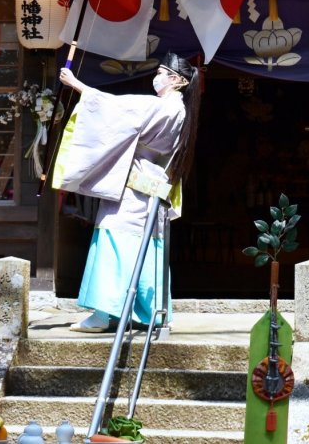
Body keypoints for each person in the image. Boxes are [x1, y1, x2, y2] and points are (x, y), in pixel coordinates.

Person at [55, 52, 201, 332]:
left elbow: (115, 110)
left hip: (135, 190)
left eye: (160, 73)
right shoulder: (176, 110)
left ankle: (102, 315)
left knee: (113, 238)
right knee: (146, 248)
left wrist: (78, 85)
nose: (156, 77)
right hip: (148, 188)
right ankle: (151, 313)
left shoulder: (166, 108)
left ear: (177, 80)